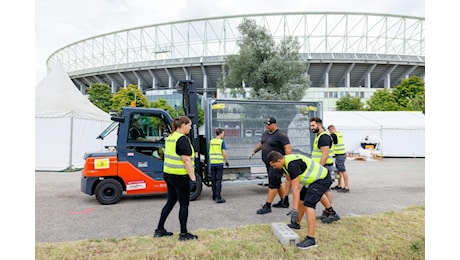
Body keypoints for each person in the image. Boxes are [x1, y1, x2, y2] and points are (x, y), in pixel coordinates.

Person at [267, 151, 339, 250]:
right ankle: (296, 223)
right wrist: (285, 197)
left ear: (279, 160)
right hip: (312, 180)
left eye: (274, 165)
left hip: (322, 179)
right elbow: (289, 182)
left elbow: (296, 188)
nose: (274, 168)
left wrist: (294, 210)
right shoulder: (285, 163)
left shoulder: (292, 164)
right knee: (301, 199)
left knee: (309, 203)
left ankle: (311, 239)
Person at [154, 116, 198, 241]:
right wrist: (193, 178)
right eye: (189, 125)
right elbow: (186, 159)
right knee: (184, 204)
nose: (190, 127)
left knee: (170, 202)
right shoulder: (182, 139)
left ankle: (159, 229)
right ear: (183, 125)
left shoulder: (170, 138)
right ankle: (184, 234)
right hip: (180, 176)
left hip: (168, 174)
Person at [249, 117, 292, 214]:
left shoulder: (281, 135)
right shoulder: (266, 134)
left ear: (274, 124)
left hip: (277, 164)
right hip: (269, 164)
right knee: (277, 183)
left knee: (272, 185)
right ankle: (284, 201)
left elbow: (288, 149)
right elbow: (261, 143)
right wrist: (253, 151)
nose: (267, 126)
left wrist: (288, 163)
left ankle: (267, 206)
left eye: (269, 124)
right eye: (266, 124)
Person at [209, 128, 230, 203]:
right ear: (220, 133)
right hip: (219, 163)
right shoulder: (221, 142)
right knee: (218, 181)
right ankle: (218, 197)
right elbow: (224, 152)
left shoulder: (211, 141)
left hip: (212, 163)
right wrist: (227, 161)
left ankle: (214, 196)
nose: (223, 135)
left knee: (213, 181)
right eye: (223, 133)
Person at [328, 125, 350, 193]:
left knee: (343, 170)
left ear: (331, 130)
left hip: (340, 155)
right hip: (340, 154)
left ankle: (346, 187)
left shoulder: (334, 135)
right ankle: (339, 185)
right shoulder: (339, 134)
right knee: (339, 171)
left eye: (329, 131)